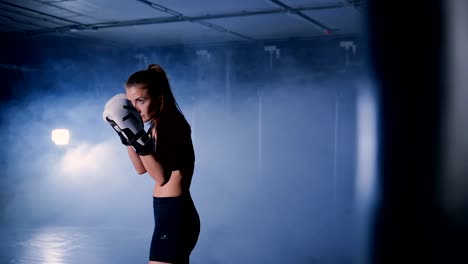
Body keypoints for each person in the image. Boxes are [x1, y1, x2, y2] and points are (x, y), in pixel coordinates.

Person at [103, 64, 200, 264]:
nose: (135, 108)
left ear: (159, 97)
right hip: (168, 214)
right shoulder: (155, 125)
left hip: (175, 215)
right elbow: (140, 168)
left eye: (141, 100)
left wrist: (136, 137)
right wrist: (126, 134)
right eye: (131, 102)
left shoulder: (169, 123)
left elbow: (161, 176)